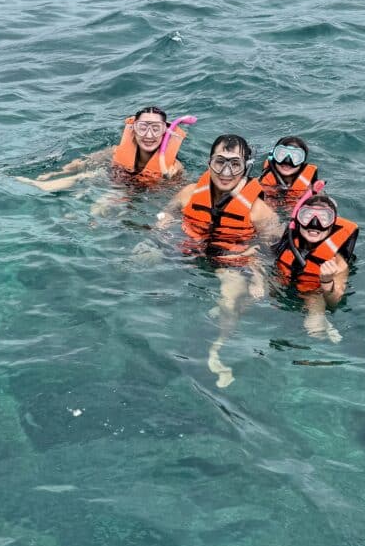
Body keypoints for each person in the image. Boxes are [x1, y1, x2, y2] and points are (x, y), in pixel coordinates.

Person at [157, 134, 282, 388]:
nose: (226, 171)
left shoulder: (259, 211)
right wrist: (156, 237)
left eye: (235, 164)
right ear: (209, 162)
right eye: (220, 162)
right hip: (188, 254)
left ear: (246, 166)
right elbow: (166, 215)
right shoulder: (189, 193)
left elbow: (276, 251)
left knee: (228, 299)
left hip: (233, 262)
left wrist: (258, 272)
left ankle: (216, 351)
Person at [16, 106, 187, 192]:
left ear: (165, 132)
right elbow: (86, 161)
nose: (149, 135)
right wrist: (57, 172)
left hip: (147, 194)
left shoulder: (173, 167)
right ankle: (40, 185)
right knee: (88, 175)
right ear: (133, 129)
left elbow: (175, 193)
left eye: (156, 128)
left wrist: (168, 180)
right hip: (115, 185)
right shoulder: (115, 150)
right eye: (143, 127)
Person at [275, 194, 358, 344]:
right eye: (307, 215)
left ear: (332, 224)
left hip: (314, 293)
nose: (314, 223)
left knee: (314, 329)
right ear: (298, 220)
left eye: (324, 218)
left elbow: (334, 302)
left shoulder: (338, 262)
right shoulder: (287, 242)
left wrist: (327, 282)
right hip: (281, 287)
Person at [258, 136, 320, 210]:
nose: (287, 161)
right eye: (282, 155)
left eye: (295, 157)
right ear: (274, 156)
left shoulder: (310, 186)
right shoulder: (263, 180)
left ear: (302, 161)